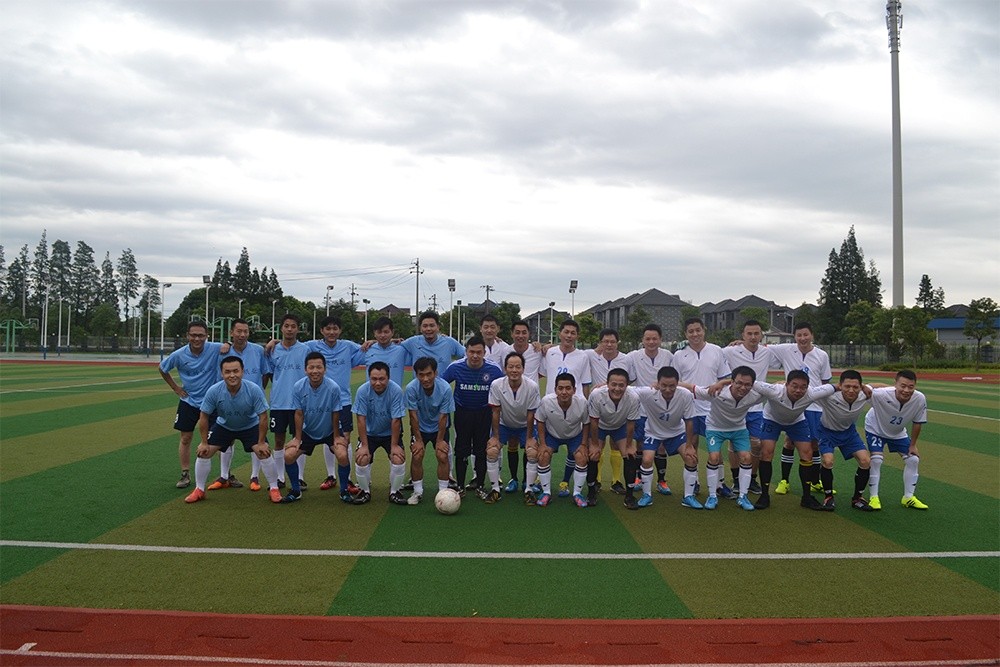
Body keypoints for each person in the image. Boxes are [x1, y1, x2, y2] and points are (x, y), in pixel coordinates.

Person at [184, 356, 277, 504]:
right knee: (203, 452)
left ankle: (274, 489)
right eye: (227, 372)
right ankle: (199, 490)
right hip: (224, 426)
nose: (232, 375)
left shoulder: (253, 389)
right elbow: (204, 416)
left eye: (236, 371)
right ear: (222, 373)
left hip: (249, 426)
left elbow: (263, 416)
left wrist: (261, 442)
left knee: (264, 452)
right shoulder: (214, 390)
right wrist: (204, 442)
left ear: (242, 372)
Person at [752, 370, 837, 510]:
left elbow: (834, 387)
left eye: (803, 387)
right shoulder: (774, 390)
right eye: (794, 386)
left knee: (807, 454)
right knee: (766, 452)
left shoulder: (812, 393)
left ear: (808, 387)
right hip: (772, 419)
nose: (798, 390)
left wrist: (863, 388)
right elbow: (750, 382)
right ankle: (764, 495)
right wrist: (722, 383)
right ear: (786, 384)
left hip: (796, 421)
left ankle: (806, 497)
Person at [682, 366, 764, 511]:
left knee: (746, 457)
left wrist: (723, 381)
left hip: (738, 429)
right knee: (714, 457)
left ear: (752, 385)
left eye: (747, 385)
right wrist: (667, 384)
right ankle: (712, 496)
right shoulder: (717, 392)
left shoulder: (755, 395)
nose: (743, 387)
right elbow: (692, 388)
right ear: (732, 381)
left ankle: (743, 496)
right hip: (715, 428)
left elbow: (777, 388)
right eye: (739, 383)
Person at [279, 352, 356, 504]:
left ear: (325, 369)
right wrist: (297, 438)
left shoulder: (333, 388)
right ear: (305, 369)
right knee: (288, 455)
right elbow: (299, 413)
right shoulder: (298, 387)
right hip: (308, 432)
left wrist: (336, 436)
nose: (315, 371)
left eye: (319, 367)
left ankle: (344, 491)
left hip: (329, 431)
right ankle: (296, 490)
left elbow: (335, 413)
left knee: (342, 454)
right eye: (311, 367)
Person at [158, 320, 227, 489]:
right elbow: (162, 368)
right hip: (189, 402)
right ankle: (185, 474)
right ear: (187, 336)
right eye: (193, 335)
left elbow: (231, 345)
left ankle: (226, 475)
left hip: (212, 402)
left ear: (207, 336)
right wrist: (176, 388)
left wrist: (228, 344)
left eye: (201, 335)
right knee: (186, 438)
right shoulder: (179, 354)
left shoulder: (214, 348)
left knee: (220, 439)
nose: (197, 339)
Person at [766, 322, 832, 495]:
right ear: (794, 337)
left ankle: (815, 481)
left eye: (806, 335)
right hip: (793, 402)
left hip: (814, 405)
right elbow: (761, 347)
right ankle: (785, 481)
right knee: (789, 441)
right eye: (799, 335)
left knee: (814, 444)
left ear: (812, 335)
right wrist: (739, 344)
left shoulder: (821, 355)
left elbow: (825, 381)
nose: (802, 338)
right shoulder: (786, 349)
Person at [671, 317, 732, 497]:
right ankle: (694, 482)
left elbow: (725, 378)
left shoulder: (716, 350)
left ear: (704, 330)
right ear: (685, 334)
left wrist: (717, 386)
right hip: (688, 408)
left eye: (698, 330)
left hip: (712, 408)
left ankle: (720, 484)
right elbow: (673, 381)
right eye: (691, 331)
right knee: (691, 445)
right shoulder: (679, 355)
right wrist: (691, 389)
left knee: (715, 447)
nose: (695, 334)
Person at [305, 315, 366, 492]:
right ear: (321, 331)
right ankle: (331, 475)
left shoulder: (348, 346)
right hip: (321, 401)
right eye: (328, 329)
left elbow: (367, 348)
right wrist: (274, 342)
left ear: (340, 331)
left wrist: (372, 342)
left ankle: (347, 479)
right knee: (328, 438)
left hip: (343, 401)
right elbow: (292, 345)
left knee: (344, 439)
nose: (331, 332)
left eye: (335, 329)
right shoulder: (312, 346)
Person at [441, 335, 505, 495]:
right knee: (461, 449)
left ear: (484, 353)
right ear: (466, 352)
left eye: (479, 352)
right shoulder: (455, 367)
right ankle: (460, 486)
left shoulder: (494, 369)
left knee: (481, 449)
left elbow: (502, 389)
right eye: (471, 352)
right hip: (463, 413)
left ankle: (480, 486)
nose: (475, 356)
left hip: (484, 413)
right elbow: (441, 385)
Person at [723, 320, 778, 496]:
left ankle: (752, 479)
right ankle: (736, 480)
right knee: (734, 443)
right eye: (749, 334)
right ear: (743, 335)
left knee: (757, 445)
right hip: (736, 405)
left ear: (761, 335)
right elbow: (714, 358)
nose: (753, 337)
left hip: (756, 407)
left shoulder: (767, 352)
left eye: (756, 333)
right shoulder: (730, 351)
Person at [630, 367, 698, 509]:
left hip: (676, 432)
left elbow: (689, 421)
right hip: (653, 432)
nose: (668, 389)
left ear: (677, 383)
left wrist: (689, 445)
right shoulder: (648, 393)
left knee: (691, 458)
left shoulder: (685, 395)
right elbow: (626, 388)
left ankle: (688, 497)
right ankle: (647, 495)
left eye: (672, 386)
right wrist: (602, 386)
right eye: (664, 385)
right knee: (647, 459)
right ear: (658, 383)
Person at [540, 319, 592, 498]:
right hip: (551, 406)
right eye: (566, 332)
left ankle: (565, 482)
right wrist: (541, 346)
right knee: (545, 449)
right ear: (560, 333)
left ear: (577, 336)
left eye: (573, 333)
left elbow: (585, 383)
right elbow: (541, 373)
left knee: (574, 450)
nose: (569, 336)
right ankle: (541, 482)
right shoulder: (550, 352)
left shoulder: (582, 356)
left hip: (574, 406)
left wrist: (584, 405)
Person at [864, 369, 929, 510]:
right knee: (876, 460)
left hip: (898, 432)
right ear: (895, 384)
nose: (906, 390)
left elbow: (918, 423)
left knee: (913, 459)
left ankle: (908, 497)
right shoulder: (881, 395)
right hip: (875, 429)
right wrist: (869, 386)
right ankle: (874, 497)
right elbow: (865, 390)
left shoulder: (919, 398)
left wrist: (913, 445)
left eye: (911, 387)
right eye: (903, 386)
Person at [219, 318, 270, 492]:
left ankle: (254, 476)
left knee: (257, 439)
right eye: (238, 331)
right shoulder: (223, 351)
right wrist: (226, 344)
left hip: (253, 404)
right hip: (229, 401)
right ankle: (224, 476)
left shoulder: (258, 350)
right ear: (231, 333)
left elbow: (265, 373)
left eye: (245, 331)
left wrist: (257, 393)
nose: (242, 335)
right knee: (227, 438)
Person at [815, 370, 876, 511]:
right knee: (828, 461)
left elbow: (883, 387)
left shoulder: (863, 395)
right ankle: (828, 497)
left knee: (865, 461)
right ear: (840, 385)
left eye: (855, 387)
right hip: (827, 432)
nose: (851, 390)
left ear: (860, 387)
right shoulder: (829, 396)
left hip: (849, 433)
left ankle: (857, 498)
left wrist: (867, 386)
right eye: (847, 386)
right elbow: (811, 391)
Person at [626, 323, 674, 494]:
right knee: (640, 443)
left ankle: (662, 481)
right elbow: (624, 376)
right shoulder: (633, 356)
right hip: (641, 408)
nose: (651, 342)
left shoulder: (668, 356)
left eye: (655, 338)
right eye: (648, 339)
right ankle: (639, 477)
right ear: (643, 340)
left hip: (661, 408)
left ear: (660, 340)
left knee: (660, 445)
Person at [531, 373, 591, 507]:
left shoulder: (582, 402)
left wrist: (583, 444)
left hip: (575, 435)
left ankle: (577, 494)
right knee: (543, 456)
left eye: (568, 388)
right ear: (555, 389)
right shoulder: (546, 401)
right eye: (560, 388)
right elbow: (540, 421)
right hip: (553, 435)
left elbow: (586, 423)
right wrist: (543, 444)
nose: (564, 392)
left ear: (574, 390)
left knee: (581, 457)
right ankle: (546, 493)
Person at [487, 351, 540, 500]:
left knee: (532, 452)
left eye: (518, 367)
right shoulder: (496, 385)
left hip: (525, 425)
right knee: (492, 451)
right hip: (504, 424)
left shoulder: (532, 386)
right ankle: (495, 489)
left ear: (523, 368)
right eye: (511, 367)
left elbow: (531, 414)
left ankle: (528, 489)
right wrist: (495, 437)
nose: (514, 370)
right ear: (505, 368)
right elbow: (495, 412)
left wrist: (529, 438)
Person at [352, 361, 407, 504]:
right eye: (374, 379)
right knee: (362, 457)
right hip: (369, 434)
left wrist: (394, 445)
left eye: (382, 379)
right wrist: (364, 445)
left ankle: (395, 492)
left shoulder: (396, 391)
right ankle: (364, 491)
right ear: (369, 378)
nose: (377, 383)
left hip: (390, 434)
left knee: (398, 457)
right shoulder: (362, 391)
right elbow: (361, 419)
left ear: (388, 378)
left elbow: (396, 420)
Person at [265, 314, 309, 489]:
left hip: (299, 403)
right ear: (281, 328)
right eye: (286, 326)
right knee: (278, 440)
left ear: (298, 329)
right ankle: (280, 477)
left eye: (293, 326)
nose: (290, 329)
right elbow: (270, 374)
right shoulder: (272, 350)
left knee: (299, 440)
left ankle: (299, 477)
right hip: (279, 402)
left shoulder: (305, 349)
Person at [403, 356, 455, 505]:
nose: (425, 379)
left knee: (442, 455)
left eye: (429, 374)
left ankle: (443, 492)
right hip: (420, 428)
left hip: (440, 427)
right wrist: (418, 440)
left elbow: (443, 417)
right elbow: (413, 416)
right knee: (417, 455)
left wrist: (440, 441)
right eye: (421, 375)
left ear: (435, 373)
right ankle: (417, 492)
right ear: (416, 375)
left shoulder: (445, 388)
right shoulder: (411, 388)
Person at [586, 328, 632, 494]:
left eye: (613, 341)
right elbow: (569, 349)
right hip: (598, 407)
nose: (609, 345)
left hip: (618, 408)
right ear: (600, 343)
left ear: (617, 343)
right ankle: (597, 480)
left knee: (616, 444)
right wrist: (545, 346)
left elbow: (629, 381)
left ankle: (616, 481)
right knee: (597, 445)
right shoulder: (591, 355)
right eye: (606, 341)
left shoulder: (626, 359)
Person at [586, 368, 639, 507]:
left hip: (620, 427)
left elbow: (631, 424)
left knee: (630, 455)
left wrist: (629, 445)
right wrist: (595, 445)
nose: (617, 388)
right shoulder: (597, 395)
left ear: (627, 385)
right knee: (593, 454)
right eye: (613, 384)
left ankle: (629, 496)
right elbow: (593, 421)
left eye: (621, 385)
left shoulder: (633, 397)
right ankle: (591, 492)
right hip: (600, 426)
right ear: (607, 384)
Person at [400, 311, 466, 384]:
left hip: (442, 389)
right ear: (420, 328)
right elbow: (394, 348)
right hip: (419, 388)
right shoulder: (413, 342)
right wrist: (392, 340)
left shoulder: (449, 342)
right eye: (425, 326)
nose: (428, 329)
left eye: (432, 325)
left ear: (438, 327)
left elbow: (467, 354)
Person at [364, 316, 409, 389]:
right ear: (374, 333)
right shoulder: (367, 349)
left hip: (394, 395)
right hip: (371, 395)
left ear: (392, 332)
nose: (382, 335)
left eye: (386, 332)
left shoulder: (402, 350)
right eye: (379, 332)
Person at [510, 319, 542, 385]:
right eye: (517, 332)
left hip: (532, 391)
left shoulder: (537, 351)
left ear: (528, 334)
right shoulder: (505, 351)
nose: (521, 336)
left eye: (524, 333)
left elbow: (543, 373)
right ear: (512, 334)